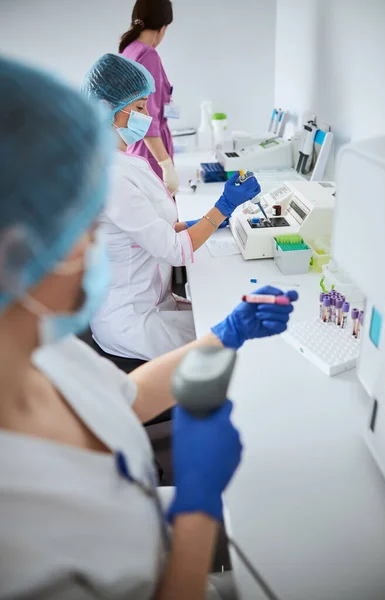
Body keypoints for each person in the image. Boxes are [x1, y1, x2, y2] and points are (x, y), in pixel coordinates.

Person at [0, 57, 298, 600]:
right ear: (14, 252)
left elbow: (125, 395)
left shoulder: (49, 353)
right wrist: (198, 505)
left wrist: (225, 333)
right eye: (78, 229)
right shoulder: (15, 521)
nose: (95, 247)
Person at [82, 53, 262, 362]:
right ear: (105, 110)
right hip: (131, 321)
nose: (147, 116)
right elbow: (173, 251)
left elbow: (151, 229)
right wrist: (224, 206)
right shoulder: (112, 176)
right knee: (233, 344)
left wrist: (201, 223)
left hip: (152, 301)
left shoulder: (124, 162)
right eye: (139, 108)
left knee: (223, 315)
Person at [119, 0, 178, 192]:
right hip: (151, 155)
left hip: (135, 149)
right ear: (163, 28)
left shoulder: (128, 50)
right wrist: (165, 164)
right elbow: (145, 117)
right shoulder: (148, 55)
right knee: (163, 219)